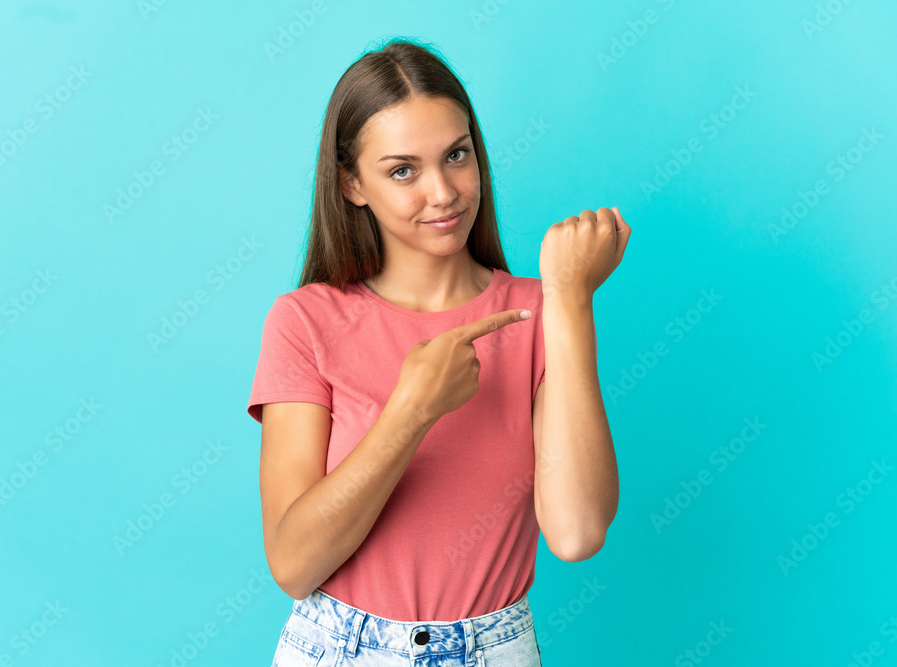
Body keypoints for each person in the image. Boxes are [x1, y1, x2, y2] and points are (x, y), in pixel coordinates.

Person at [246, 37, 629, 666]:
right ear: (352, 184)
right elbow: (293, 565)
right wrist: (411, 410)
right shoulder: (305, 321)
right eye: (403, 170)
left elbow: (578, 530)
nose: (444, 192)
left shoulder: (539, 312)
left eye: (457, 156)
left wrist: (570, 298)